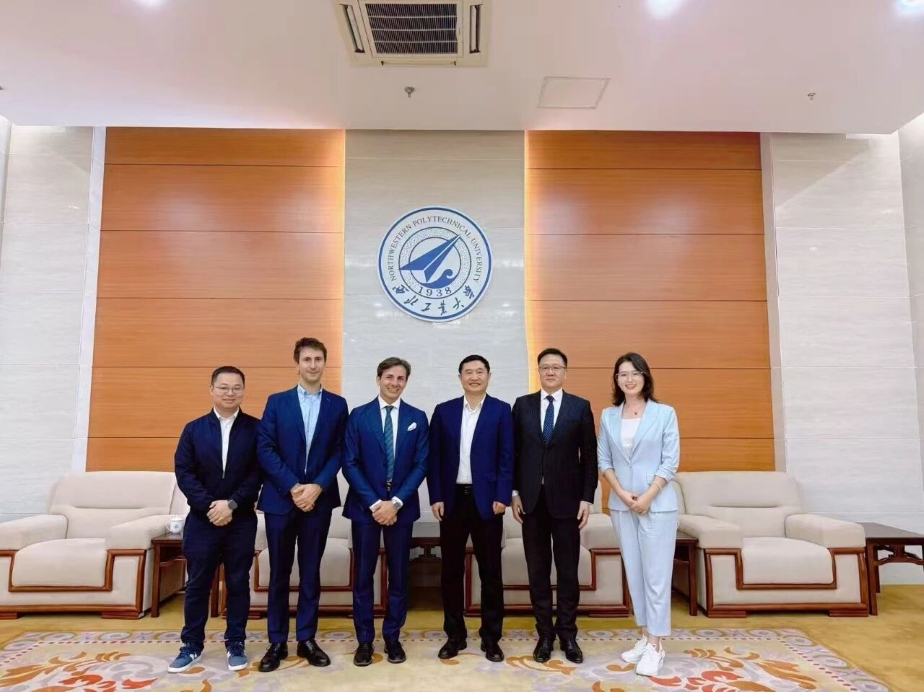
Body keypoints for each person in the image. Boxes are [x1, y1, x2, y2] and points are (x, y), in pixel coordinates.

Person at [255, 338, 349, 673]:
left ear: (325, 363)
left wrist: (317, 487)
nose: (312, 365)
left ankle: (307, 638)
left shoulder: (338, 405)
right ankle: (277, 641)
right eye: (307, 359)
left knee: (310, 572)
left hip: (318, 502)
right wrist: (295, 487)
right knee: (279, 572)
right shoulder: (276, 402)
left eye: (318, 359)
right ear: (297, 363)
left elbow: (340, 450)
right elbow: (265, 447)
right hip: (281, 499)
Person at [169, 366, 262, 673]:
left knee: (238, 583)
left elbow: (258, 473)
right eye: (223, 387)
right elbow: (184, 472)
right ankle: (191, 645)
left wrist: (231, 504)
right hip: (202, 519)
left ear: (243, 391)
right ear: (211, 390)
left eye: (236, 388)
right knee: (197, 584)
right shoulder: (193, 429)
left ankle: (235, 643)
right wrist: (211, 506)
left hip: (241, 519)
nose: (229, 393)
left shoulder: (256, 429)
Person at [510, 347, 597, 664]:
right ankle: (544, 635)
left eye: (556, 367)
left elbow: (589, 457)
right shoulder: (522, 405)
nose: (550, 371)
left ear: (565, 372)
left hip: (567, 503)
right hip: (531, 501)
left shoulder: (580, 406)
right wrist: (514, 492)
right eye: (545, 367)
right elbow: (513, 453)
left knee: (567, 571)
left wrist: (587, 498)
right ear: (539, 371)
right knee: (537, 571)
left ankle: (568, 635)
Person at [342, 357, 429, 666]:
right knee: (363, 577)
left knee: (399, 576)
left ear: (406, 382)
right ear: (378, 379)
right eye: (389, 377)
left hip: (401, 510)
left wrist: (396, 502)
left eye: (400, 378)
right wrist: (376, 503)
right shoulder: (358, 415)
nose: (394, 383)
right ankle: (364, 641)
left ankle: (392, 637)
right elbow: (349, 462)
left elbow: (421, 464)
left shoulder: (417, 417)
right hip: (365, 509)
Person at [597, 352, 679, 677]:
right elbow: (604, 460)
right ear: (616, 380)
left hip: (657, 504)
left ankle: (657, 645)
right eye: (622, 374)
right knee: (634, 572)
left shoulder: (664, 413)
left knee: (656, 575)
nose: (629, 379)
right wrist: (620, 492)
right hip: (622, 505)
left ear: (645, 376)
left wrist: (647, 495)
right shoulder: (608, 416)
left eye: (634, 373)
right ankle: (645, 636)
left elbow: (670, 461)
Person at [427, 355, 514, 662]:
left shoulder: (501, 410)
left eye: (480, 372)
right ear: (460, 377)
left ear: (488, 375)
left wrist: (503, 495)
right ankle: (455, 635)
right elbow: (434, 457)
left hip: (488, 501)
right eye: (468, 372)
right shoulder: (444, 411)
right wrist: (436, 496)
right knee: (450, 571)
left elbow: (507, 457)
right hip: (452, 500)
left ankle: (491, 638)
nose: (474, 376)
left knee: (490, 572)